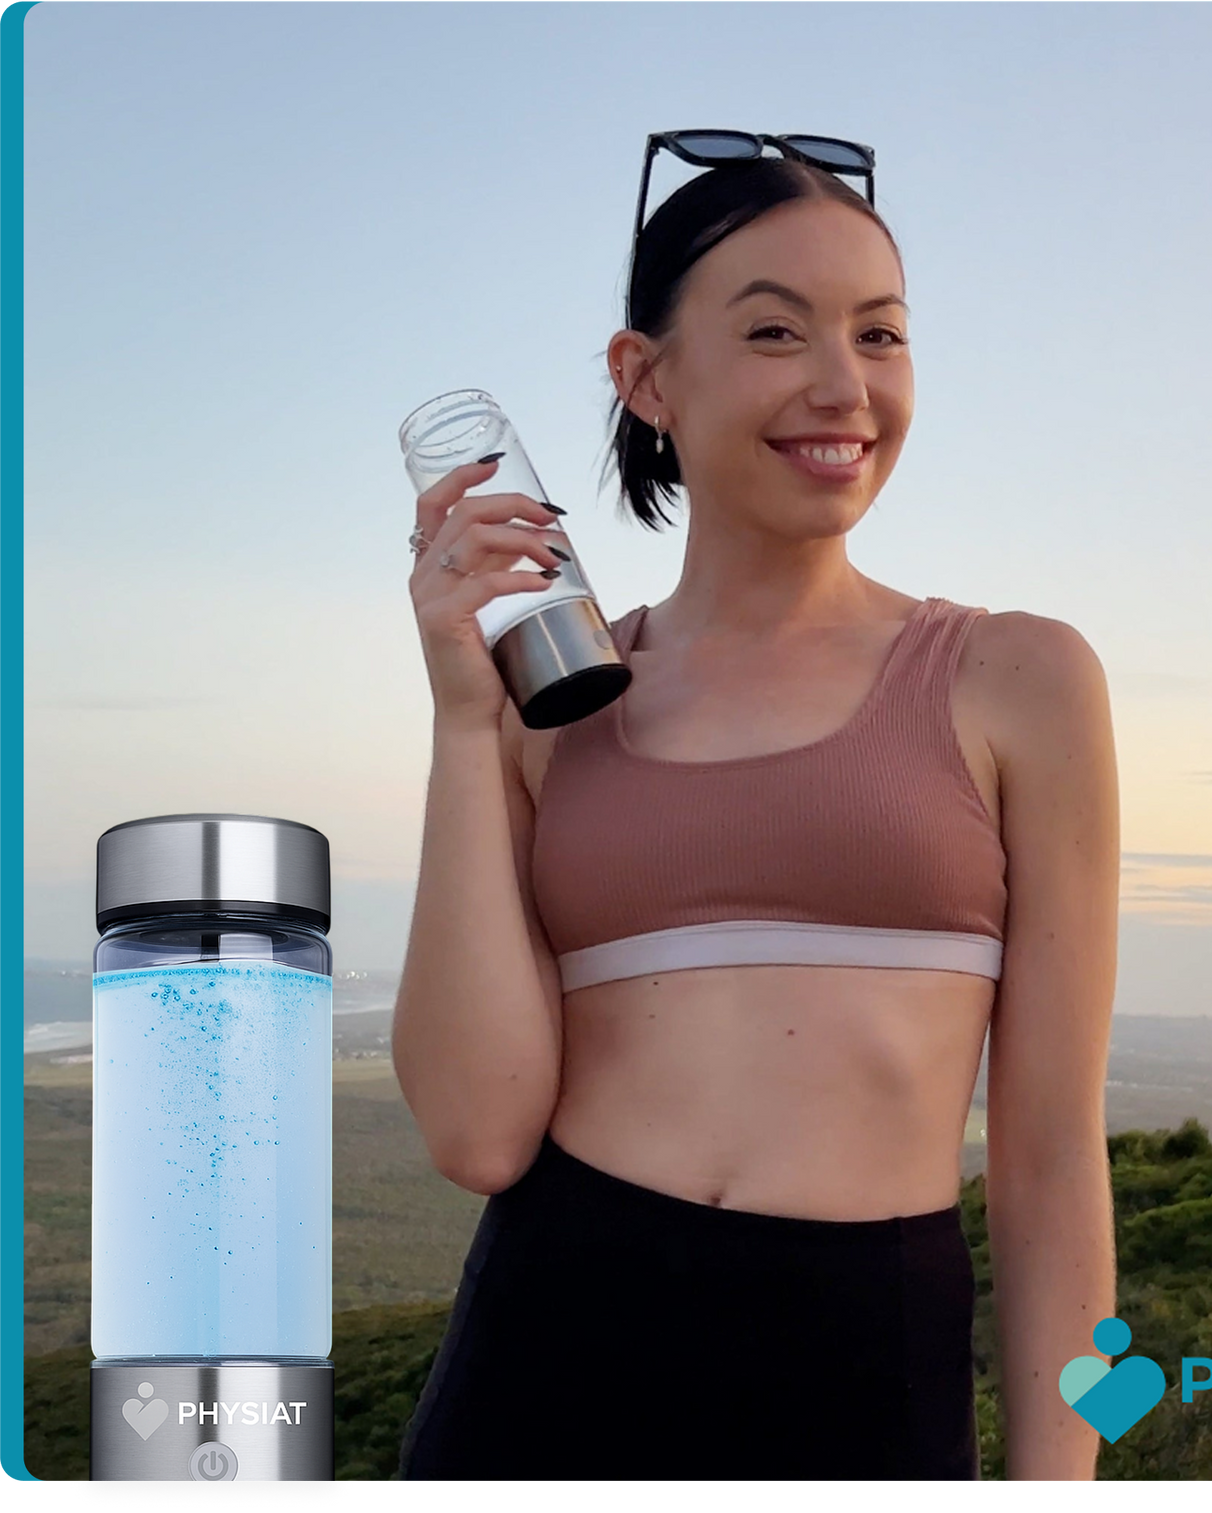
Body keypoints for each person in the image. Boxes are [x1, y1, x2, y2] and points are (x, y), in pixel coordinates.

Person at [393, 138, 1120, 1485]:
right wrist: (461, 724)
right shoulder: (553, 704)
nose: (844, 386)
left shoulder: (1022, 678)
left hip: (868, 1370)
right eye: (776, 331)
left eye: (881, 336)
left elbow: (1053, 1164)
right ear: (646, 377)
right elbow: (477, 1132)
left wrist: (1062, 1476)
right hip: (544, 1363)